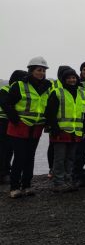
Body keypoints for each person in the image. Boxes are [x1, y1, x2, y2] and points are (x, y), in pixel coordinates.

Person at [3, 57, 52, 198]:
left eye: (43, 70)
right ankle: (14, 187)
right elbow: (7, 104)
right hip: (19, 127)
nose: (41, 73)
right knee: (19, 157)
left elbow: (47, 107)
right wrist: (15, 119)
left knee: (30, 157)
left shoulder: (47, 87)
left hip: (36, 128)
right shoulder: (19, 85)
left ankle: (27, 185)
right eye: (38, 70)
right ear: (31, 71)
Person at [44, 67, 85, 192]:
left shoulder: (82, 93)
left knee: (71, 158)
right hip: (60, 131)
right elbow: (49, 112)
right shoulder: (57, 92)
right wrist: (54, 127)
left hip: (76, 131)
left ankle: (68, 180)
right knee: (59, 159)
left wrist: (84, 129)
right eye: (69, 78)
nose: (72, 80)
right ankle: (59, 182)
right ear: (64, 80)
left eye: (73, 78)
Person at [0, 70, 26, 186]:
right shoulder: (5, 90)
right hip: (3, 121)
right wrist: (16, 119)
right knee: (3, 148)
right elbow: (7, 107)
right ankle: (2, 174)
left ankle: (7, 170)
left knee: (10, 148)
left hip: (11, 122)